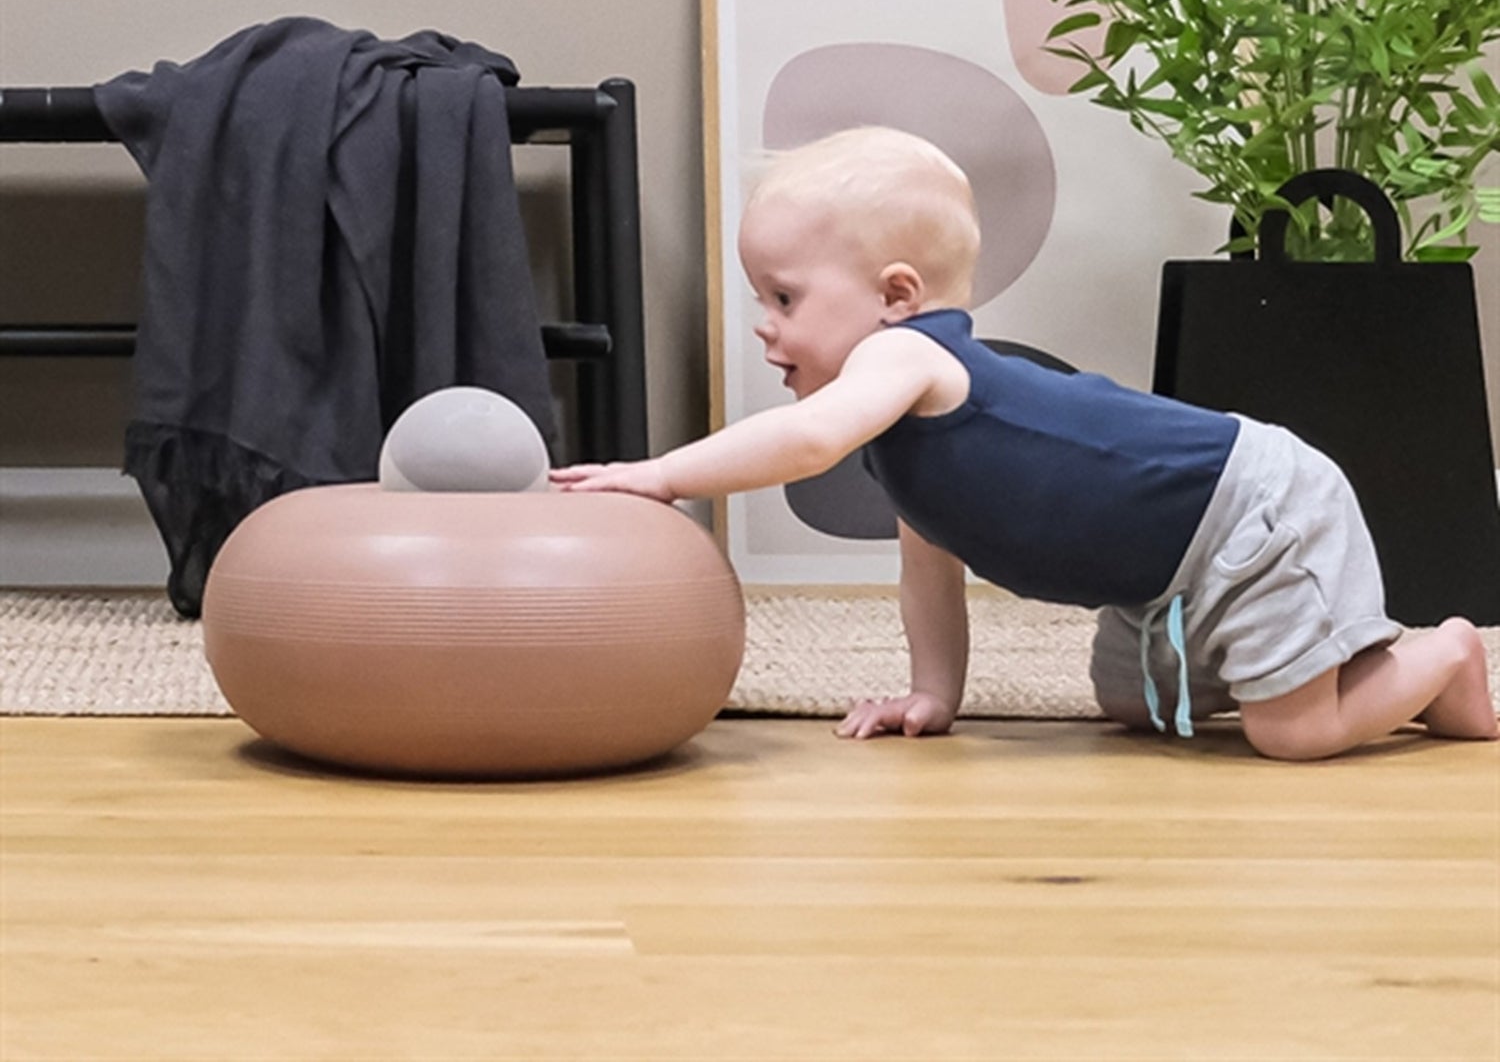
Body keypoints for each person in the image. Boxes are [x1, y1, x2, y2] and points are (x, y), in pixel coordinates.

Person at [551, 127, 1498, 761]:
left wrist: (661, 474)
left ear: (896, 295)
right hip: (1162, 571)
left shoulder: (907, 357)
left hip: (1255, 509)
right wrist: (934, 696)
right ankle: (1310, 665)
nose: (765, 323)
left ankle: (1441, 656)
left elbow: (804, 442)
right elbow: (929, 573)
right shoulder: (906, 439)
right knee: (1129, 708)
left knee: (1292, 734)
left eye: (785, 297)